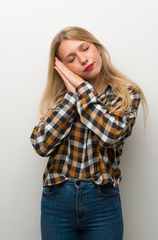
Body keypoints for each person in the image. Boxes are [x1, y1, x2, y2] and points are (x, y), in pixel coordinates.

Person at [30, 26, 148, 240]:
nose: (83, 60)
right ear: (63, 68)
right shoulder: (59, 99)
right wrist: (71, 96)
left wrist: (83, 90)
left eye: (85, 48)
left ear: (98, 48)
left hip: (102, 201)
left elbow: (110, 135)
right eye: (72, 58)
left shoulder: (126, 94)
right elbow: (40, 144)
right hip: (57, 201)